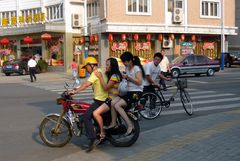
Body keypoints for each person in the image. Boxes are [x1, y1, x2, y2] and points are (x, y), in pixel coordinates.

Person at [69, 57, 108, 152]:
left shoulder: (95, 73)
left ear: (91, 65)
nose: (86, 69)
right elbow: (86, 83)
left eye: (86, 67)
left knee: (86, 116)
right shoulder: (99, 70)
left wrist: (75, 92)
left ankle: (92, 138)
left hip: (100, 100)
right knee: (85, 113)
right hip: (102, 99)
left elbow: (86, 84)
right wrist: (76, 88)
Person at [109, 51, 145, 136]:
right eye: (123, 62)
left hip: (136, 92)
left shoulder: (136, 68)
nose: (124, 64)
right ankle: (113, 123)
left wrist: (128, 77)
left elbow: (139, 82)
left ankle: (130, 125)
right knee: (112, 102)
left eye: (125, 62)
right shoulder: (127, 69)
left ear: (130, 61)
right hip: (129, 92)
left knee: (118, 105)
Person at [93, 57, 122, 142]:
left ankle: (102, 133)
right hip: (110, 99)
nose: (106, 66)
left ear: (112, 66)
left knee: (96, 113)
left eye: (107, 65)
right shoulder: (115, 74)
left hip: (111, 100)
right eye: (106, 64)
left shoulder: (114, 76)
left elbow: (106, 88)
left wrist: (100, 77)